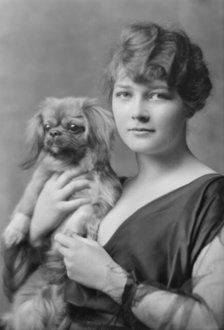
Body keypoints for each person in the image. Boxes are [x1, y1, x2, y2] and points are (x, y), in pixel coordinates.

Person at [29, 22, 224, 329]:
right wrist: (36, 232)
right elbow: (30, 300)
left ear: (188, 103)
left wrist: (113, 281)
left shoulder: (212, 198)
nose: (137, 112)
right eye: (124, 94)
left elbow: (211, 322)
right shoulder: (109, 190)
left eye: (157, 95)